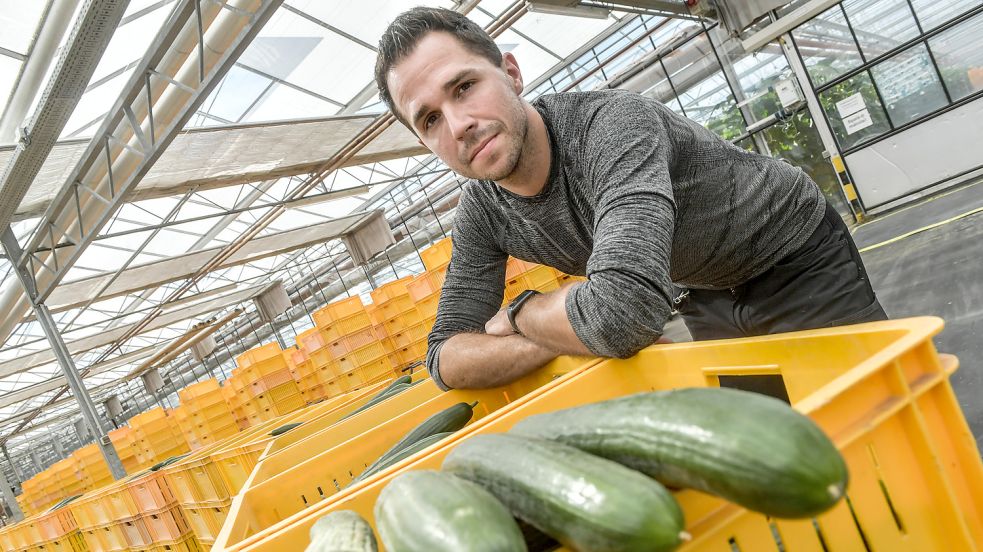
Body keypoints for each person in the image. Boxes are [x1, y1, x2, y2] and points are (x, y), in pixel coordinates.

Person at [374, 7, 887, 391]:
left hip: (792, 252)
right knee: (780, 445)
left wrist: (519, 314)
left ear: (510, 73)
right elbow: (444, 358)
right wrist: (567, 329)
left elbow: (623, 316)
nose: (458, 124)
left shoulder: (610, 127)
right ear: (424, 142)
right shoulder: (482, 214)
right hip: (701, 290)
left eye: (464, 86)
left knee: (870, 409)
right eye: (431, 119)